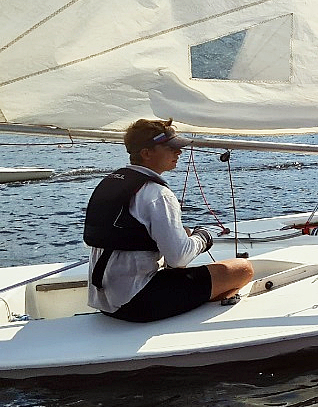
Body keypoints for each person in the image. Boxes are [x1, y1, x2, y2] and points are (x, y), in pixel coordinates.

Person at [84, 119, 255, 323]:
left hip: (104, 300)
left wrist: (186, 237)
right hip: (136, 303)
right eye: (171, 147)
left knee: (184, 233)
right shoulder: (158, 194)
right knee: (243, 269)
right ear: (146, 153)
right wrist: (204, 238)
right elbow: (178, 258)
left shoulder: (112, 183)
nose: (179, 153)